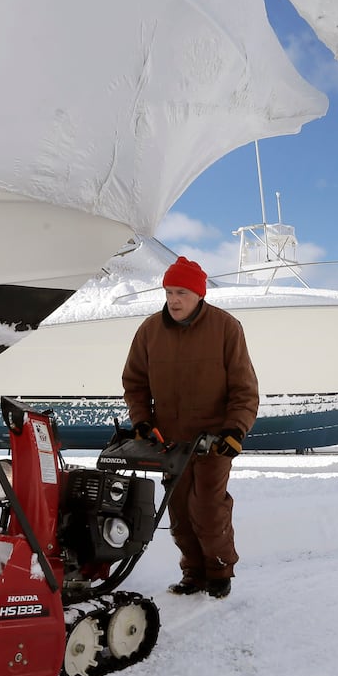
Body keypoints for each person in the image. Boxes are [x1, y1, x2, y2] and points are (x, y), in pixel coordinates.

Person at [122, 256, 258, 599]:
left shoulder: (226, 328)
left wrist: (235, 431)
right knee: (180, 512)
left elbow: (244, 389)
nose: (173, 300)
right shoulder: (150, 331)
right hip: (170, 443)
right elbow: (135, 383)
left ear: (199, 294)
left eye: (181, 292)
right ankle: (193, 573)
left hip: (213, 441)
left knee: (208, 509)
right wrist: (141, 421)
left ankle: (218, 572)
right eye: (169, 292)